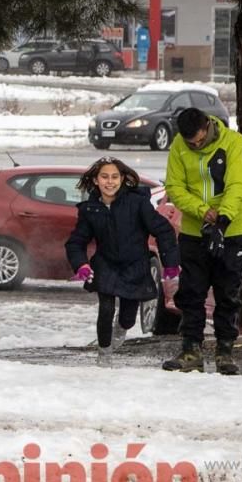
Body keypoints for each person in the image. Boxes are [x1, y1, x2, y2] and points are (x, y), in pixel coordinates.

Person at [65, 157, 180, 367]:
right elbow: (76, 242)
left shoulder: (137, 203)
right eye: (104, 177)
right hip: (105, 264)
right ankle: (104, 352)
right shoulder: (90, 209)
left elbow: (163, 231)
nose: (110, 182)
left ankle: (122, 327)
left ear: (123, 179)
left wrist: (170, 263)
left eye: (114, 177)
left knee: (128, 317)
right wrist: (81, 264)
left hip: (135, 266)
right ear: (95, 180)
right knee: (106, 308)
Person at [162, 108, 242, 375]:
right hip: (194, 230)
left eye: (199, 141)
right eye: (191, 143)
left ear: (208, 126)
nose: (195, 145)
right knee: (191, 292)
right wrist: (202, 211)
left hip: (232, 230)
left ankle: (225, 350)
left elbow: (238, 186)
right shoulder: (179, 145)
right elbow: (174, 187)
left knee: (227, 292)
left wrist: (222, 220)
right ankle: (191, 349)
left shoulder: (235, 143)